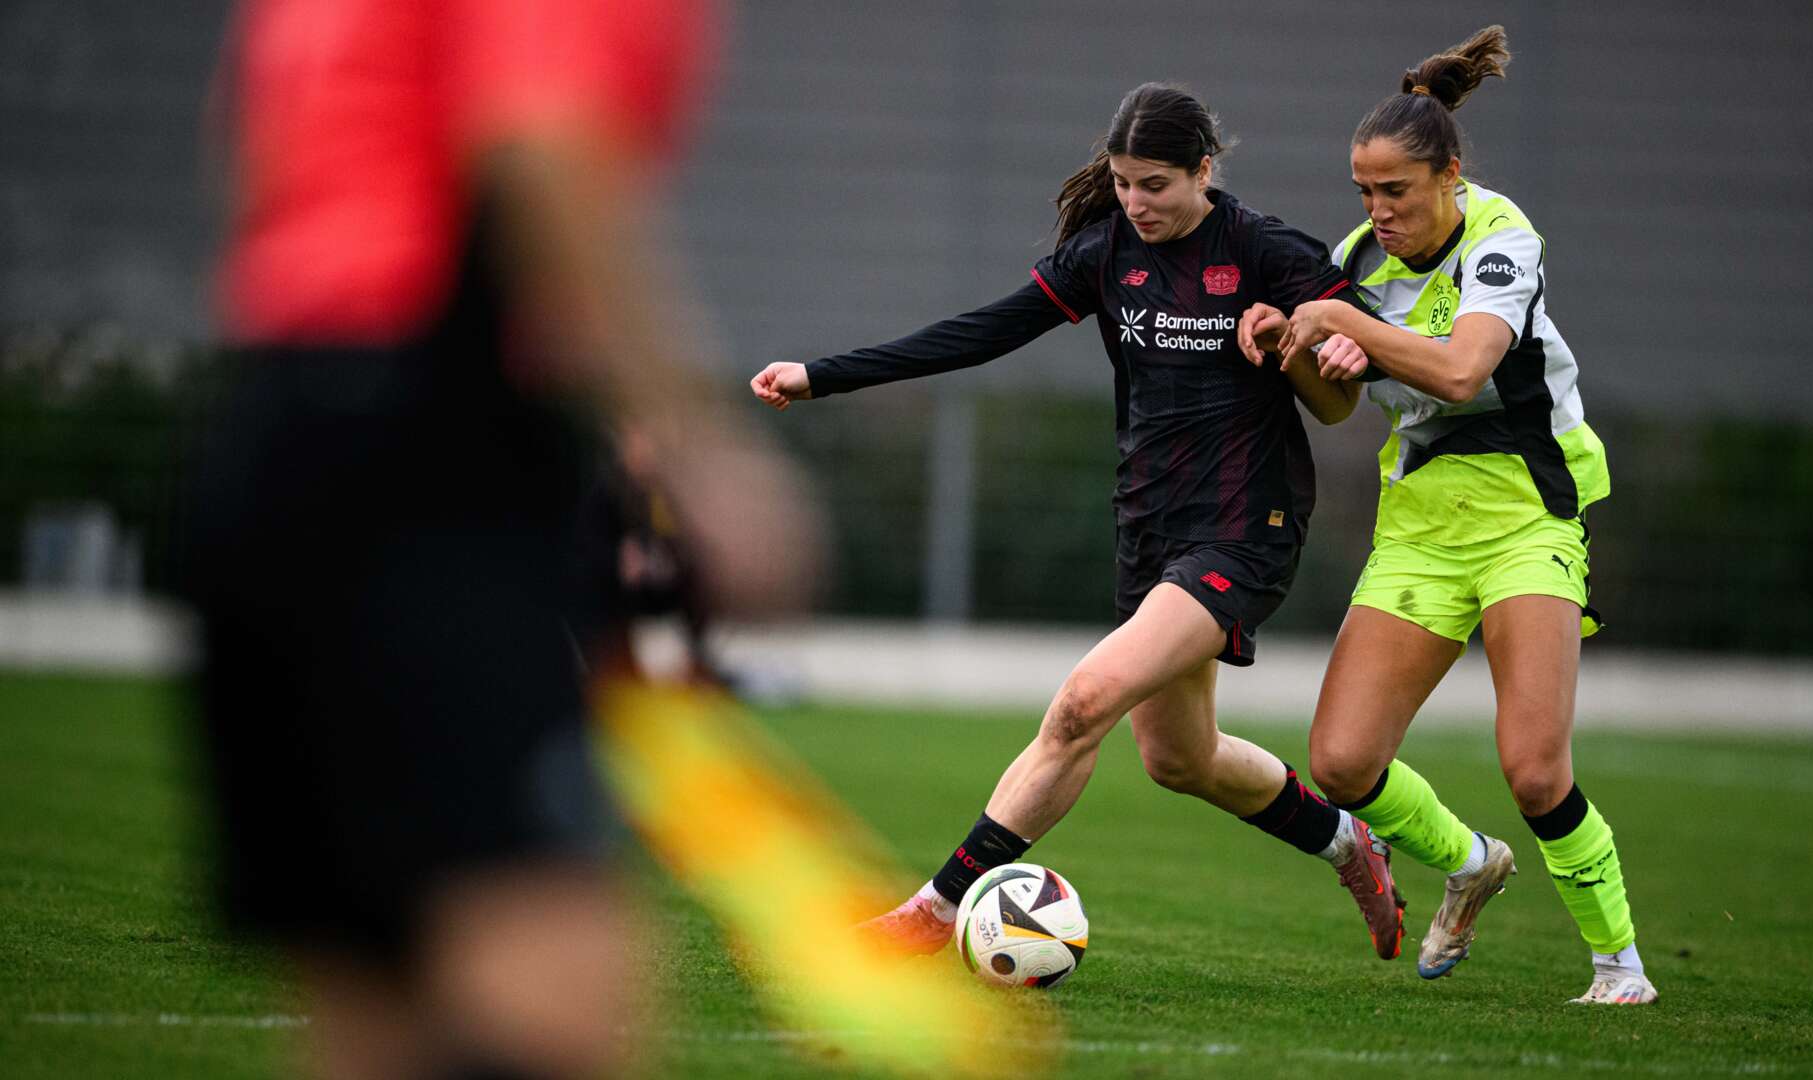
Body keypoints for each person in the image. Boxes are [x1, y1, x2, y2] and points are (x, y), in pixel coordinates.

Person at [188, 2, 811, 1077]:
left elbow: (248, 148)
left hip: (271, 428)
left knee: (380, 1011)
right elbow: (542, 140)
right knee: (554, 997)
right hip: (427, 443)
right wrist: (697, 452)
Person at [751, 83, 1407, 962]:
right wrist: (820, 375)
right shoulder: (1107, 254)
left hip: (1246, 524)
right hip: (1150, 524)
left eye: (1156, 185)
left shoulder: (1260, 247)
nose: (1136, 203)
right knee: (1181, 758)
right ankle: (1345, 842)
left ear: (1204, 170)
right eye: (1124, 182)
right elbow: (980, 334)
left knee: (1079, 706)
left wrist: (1318, 339)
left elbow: (1360, 338)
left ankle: (932, 913)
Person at [1236, 26, 1656, 1005]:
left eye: (1397, 192)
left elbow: (1466, 369)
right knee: (1340, 762)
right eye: (1364, 193)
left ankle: (1619, 965)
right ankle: (1469, 863)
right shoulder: (1353, 264)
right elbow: (1338, 403)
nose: (1378, 213)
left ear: (1450, 177)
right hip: (1419, 527)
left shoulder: (1502, 239)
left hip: (1528, 518)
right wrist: (1291, 345)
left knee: (1536, 770)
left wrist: (1345, 324)